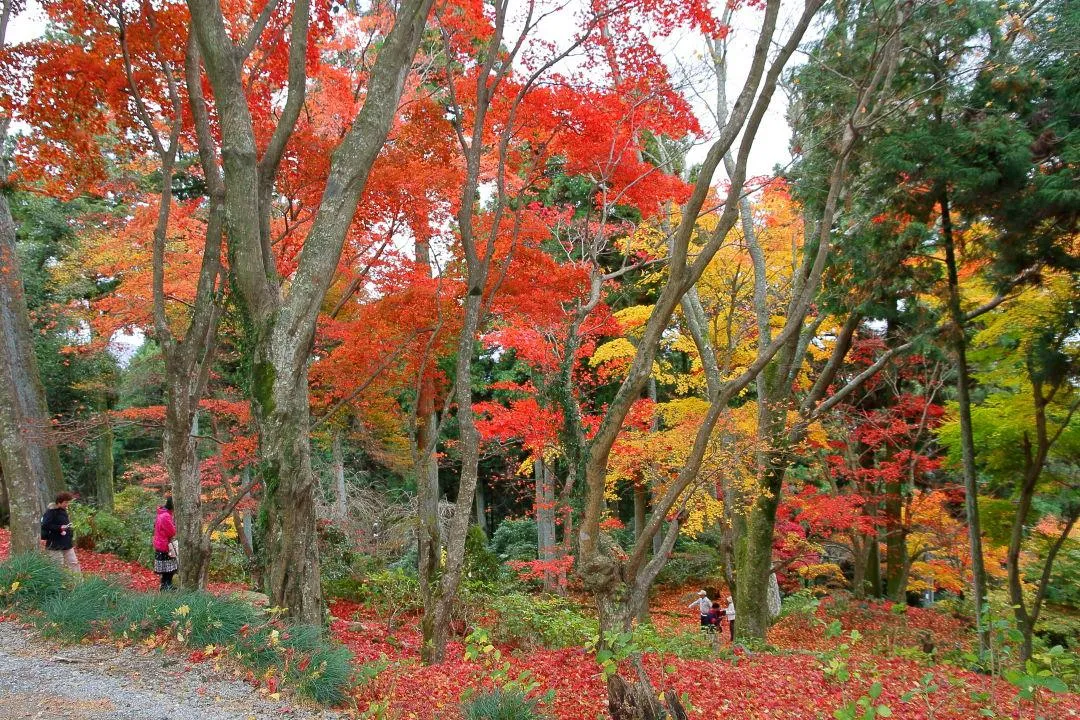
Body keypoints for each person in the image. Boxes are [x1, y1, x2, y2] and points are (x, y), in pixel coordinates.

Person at [40, 491, 81, 576]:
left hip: (66, 543)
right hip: (54, 544)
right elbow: (45, 525)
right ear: (59, 502)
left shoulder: (63, 510)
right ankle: (58, 585)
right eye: (66, 502)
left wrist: (68, 529)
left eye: (68, 502)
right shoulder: (51, 512)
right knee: (57, 566)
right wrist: (60, 528)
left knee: (74, 563)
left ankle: (79, 584)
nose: (67, 504)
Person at [153, 496, 178, 590]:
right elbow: (171, 532)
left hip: (160, 543)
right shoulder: (166, 516)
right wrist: (175, 527)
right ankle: (167, 586)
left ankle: (165, 586)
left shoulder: (162, 514)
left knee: (166, 569)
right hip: (164, 545)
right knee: (169, 569)